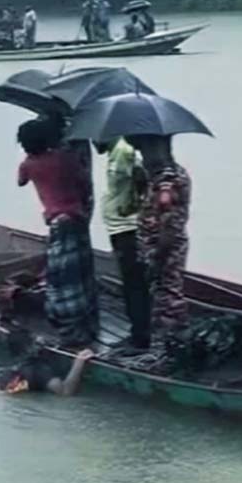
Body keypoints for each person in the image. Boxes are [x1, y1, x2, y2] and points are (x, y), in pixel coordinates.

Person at [17, 119, 99, 346]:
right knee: (80, 274)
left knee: (62, 278)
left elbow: (20, 182)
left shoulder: (28, 165)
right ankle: (86, 324)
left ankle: (69, 329)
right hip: (77, 219)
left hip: (57, 224)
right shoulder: (67, 158)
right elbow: (83, 183)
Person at [128, 135, 191, 357]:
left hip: (165, 248)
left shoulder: (169, 182)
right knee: (161, 295)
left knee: (168, 298)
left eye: (146, 149)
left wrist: (157, 257)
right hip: (156, 246)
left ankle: (172, 348)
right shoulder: (156, 176)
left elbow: (169, 228)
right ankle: (168, 346)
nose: (143, 155)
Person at [96, 138, 150, 349]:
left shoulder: (123, 151)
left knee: (134, 284)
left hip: (128, 229)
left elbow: (140, 177)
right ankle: (139, 331)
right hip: (119, 228)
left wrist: (135, 203)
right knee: (131, 283)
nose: (93, 142)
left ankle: (140, 336)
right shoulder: (113, 151)